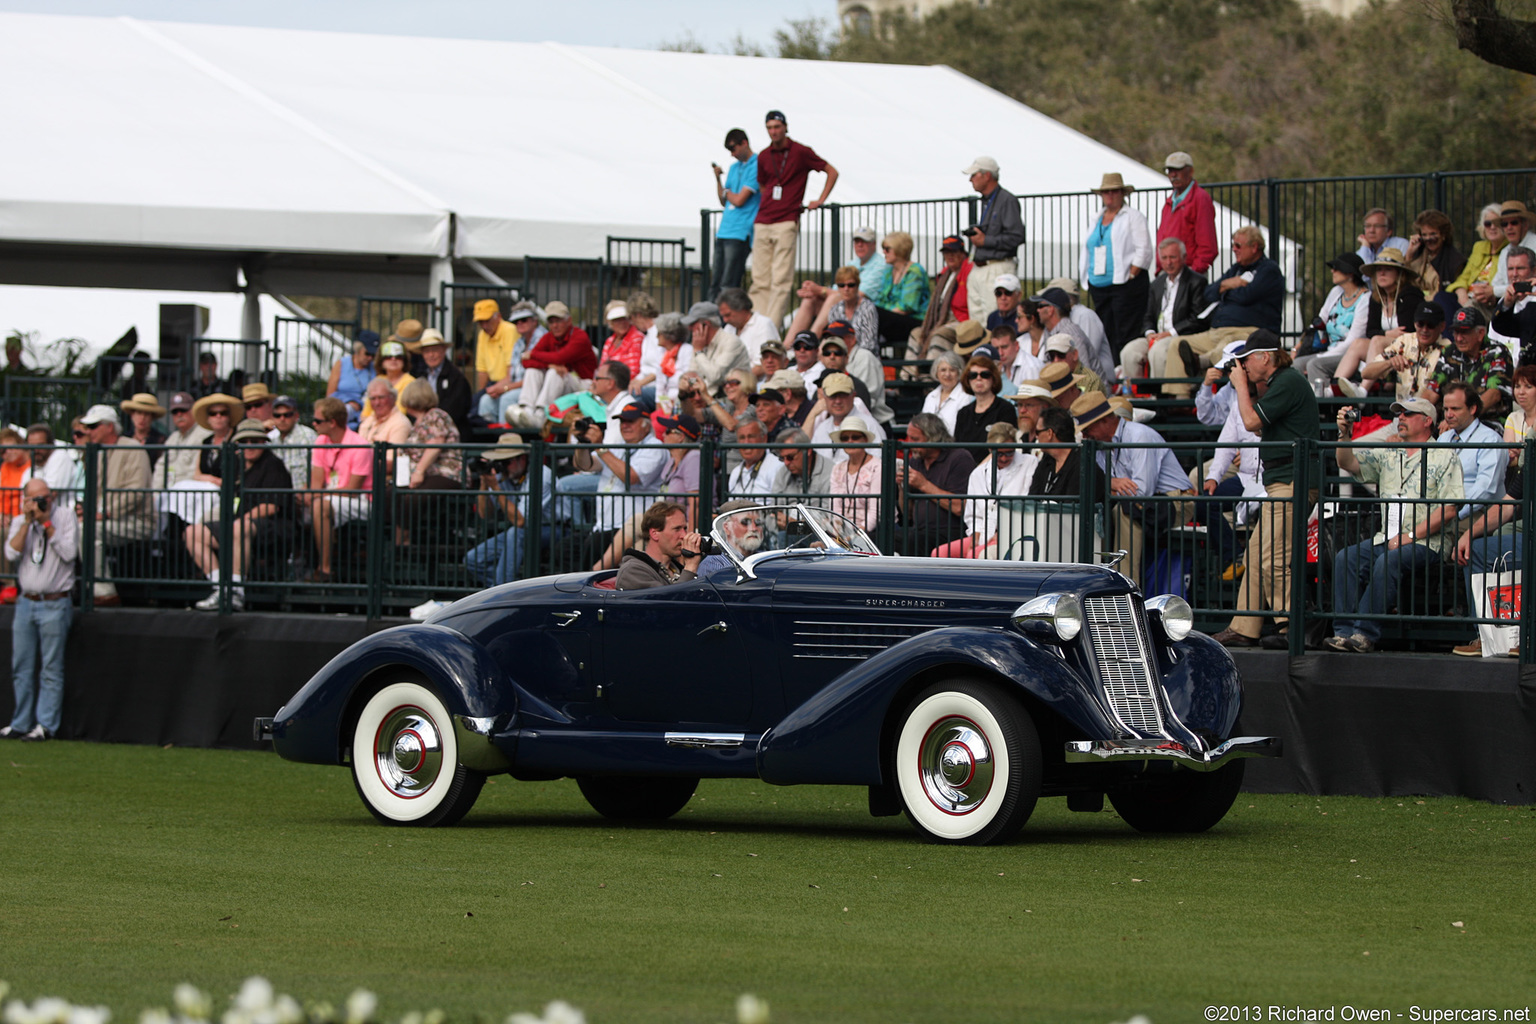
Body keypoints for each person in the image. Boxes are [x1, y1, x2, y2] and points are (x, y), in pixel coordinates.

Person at [1206, 331, 1320, 650]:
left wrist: (1240, 385)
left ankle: (1292, 625)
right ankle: (1245, 626)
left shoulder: (1289, 381)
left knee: (1272, 555)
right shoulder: (1278, 383)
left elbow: (1251, 421)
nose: (1242, 367)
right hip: (1282, 481)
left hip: (1293, 480)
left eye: (1246, 360)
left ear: (1265, 357)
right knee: (1255, 554)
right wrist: (1247, 381)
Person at [1328, 397, 1463, 653]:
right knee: (1347, 557)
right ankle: (1343, 632)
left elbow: (1449, 509)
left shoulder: (1445, 456)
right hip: (1387, 537)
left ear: (1427, 421)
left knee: (1388, 561)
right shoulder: (1390, 452)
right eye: (1399, 414)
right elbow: (1347, 463)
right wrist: (1344, 435)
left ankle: (1363, 634)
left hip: (1428, 542)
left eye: (1408, 414)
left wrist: (1410, 536)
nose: (1400, 418)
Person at [1072, 391, 1192, 587]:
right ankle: (1092, 583)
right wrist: (1113, 482)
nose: (1084, 434)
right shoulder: (1097, 443)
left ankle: (1125, 588)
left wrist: (1110, 483)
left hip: (1176, 501)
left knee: (1123, 511)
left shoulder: (1139, 435)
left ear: (1104, 421)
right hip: (1144, 502)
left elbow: (1141, 490)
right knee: (1099, 512)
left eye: (1088, 428)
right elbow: (1106, 485)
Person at [185, 418, 294, 613]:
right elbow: (202, 471)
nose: (250, 446)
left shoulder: (273, 464)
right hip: (240, 527)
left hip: (273, 527)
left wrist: (241, 521)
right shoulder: (236, 464)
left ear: (264, 442)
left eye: (255, 441)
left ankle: (236, 590)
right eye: (245, 442)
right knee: (193, 532)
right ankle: (221, 588)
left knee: (238, 527)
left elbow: (271, 507)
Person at [1162, 226, 1286, 394]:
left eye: (1238, 245)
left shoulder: (1269, 270)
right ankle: (1178, 399)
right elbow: (1209, 293)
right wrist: (1228, 284)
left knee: (1226, 347)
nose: (1234, 249)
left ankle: (1201, 362)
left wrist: (1224, 292)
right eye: (1233, 245)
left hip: (1248, 332)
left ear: (1254, 247)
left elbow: (1246, 296)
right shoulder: (1236, 270)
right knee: (1176, 344)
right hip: (1216, 331)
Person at [1, 479, 76, 740]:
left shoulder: (65, 516)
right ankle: (20, 722)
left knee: (51, 668)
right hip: (26, 602)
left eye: (44, 497)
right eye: (34, 499)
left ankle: (45, 726)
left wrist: (46, 524)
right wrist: (26, 522)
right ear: (25, 500)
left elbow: (69, 553)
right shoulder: (22, 521)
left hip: (55, 602)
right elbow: (10, 553)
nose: (42, 503)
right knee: (21, 666)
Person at [750, 110, 838, 326]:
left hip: (787, 219)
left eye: (777, 127)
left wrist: (820, 199)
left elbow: (831, 171)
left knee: (781, 279)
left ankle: (769, 327)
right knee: (759, 279)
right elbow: (762, 185)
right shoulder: (763, 155)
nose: (773, 132)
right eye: (769, 128)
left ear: (785, 127)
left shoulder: (800, 151)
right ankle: (756, 324)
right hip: (763, 219)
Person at [570, 405, 668, 565]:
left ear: (645, 424)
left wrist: (600, 446)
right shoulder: (618, 446)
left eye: (630, 421)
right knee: (565, 549)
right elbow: (584, 465)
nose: (625, 425)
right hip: (603, 527)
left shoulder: (655, 447)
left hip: (627, 530)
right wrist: (583, 443)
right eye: (622, 421)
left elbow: (631, 477)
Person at [81, 404, 154, 607]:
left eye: (93, 426)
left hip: (138, 520)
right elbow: (93, 493)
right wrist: (85, 510)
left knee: (88, 531)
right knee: (69, 527)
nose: (88, 432)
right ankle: (65, 589)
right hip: (110, 519)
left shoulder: (132, 448)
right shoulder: (98, 452)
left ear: (109, 427)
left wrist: (104, 513)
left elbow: (136, 492)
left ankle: (105, 592)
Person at [932, 422, 1036, 559]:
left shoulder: (1029, 463)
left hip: (1013, 533)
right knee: (940, 553)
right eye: (999, 454)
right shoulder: (978, 473)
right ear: (989, 449)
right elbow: (972, 514)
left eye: (1009, 453)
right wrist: (975, 534)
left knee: (973, 555)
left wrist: (1002, 531)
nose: (1004, 458)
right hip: (984, 533)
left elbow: (1027, 505)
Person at [463, 434, 553, 589]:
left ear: (522, 459)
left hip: (553, 528)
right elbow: (485, 514)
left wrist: (497, 489)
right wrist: (484, 484)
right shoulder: (505, 476)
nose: (503, 466)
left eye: (507, 461)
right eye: (500, 462)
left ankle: (502, 591)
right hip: (522, 531)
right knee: (473, 560)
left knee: (515, 532)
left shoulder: (541, 474)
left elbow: (520, 521)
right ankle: (511, 591)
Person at [1081, 172, 1152, 360]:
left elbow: (1144, 249)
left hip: (1125, 285)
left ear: (1122, 193)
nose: (1110, 195)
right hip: (1100, 285)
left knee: (1125, 331)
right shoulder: (1096, 218)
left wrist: (1132, 274)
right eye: (1106, 192)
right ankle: (1111, 370)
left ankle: (1125, 373)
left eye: (1114, 191)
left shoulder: (1133, 216)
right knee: (1106, 332)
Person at [1122, 238, 1212, 382]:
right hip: (1157, 336)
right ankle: (1135, 396)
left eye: (1172, 257)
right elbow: (1148, 315)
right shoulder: (1157, 284)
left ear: (1183, 258)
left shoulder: (1196, 282)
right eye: (1164, 258)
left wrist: (1169, 333)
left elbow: (1198, 318)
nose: (1168, 262)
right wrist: (1150, 333)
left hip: (1180, 336)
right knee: (1129, 352)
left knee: (1158, 352)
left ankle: (1160, 398)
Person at [306, 397, 372, 583]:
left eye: (318, 421)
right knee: (303, 503)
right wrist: (312, 495)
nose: (314, 424)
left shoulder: (360, 445)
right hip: (331, 497)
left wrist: (319, 495)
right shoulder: (321, 440)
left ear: (332, 422)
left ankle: (324, 569)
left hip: (360, 500)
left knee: (320, 506)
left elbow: (352, 489)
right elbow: (316, 482)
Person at [394, 378, 464, 544]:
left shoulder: (436, 415)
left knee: (413, 497)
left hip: (446, 472)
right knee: (390, 493)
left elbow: (435, 445)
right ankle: (398, 541)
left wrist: (418, 472)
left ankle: (405, 540)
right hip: (423, 475)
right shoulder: (416, 422)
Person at [894, 413, 975, 555]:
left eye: (915, 439)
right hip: (917, 530)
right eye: (908, 437)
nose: (909, 443)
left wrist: (923, 484)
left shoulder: (959, 458)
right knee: (877, 537)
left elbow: (959, 507)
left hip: (949, 532)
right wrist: (902, 487)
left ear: (933, 437)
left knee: (914, 540)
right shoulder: (915, 461)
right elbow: (907, 513)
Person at [1291, 253, 1368, 392]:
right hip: (1328, 351)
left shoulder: (1365, 299)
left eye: (1336, 268)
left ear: (1350, 273)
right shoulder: (1336, 292)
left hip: (1349, 356)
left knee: (1315, 365)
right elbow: (1319, 321)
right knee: (1296, 364)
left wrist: (1324, 356)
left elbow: (1353, 341)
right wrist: (1298, 346)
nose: (1332, 271)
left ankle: (1322, 408)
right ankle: (1301, 404)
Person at [962, 156, 1025, 322]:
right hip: (980, 267)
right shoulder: (985, 201)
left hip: (997, 267)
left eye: (974, 175)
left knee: (994, 320)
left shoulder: (1007, 200)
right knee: (977, 324)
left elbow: (1017, 236)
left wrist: (986, 240)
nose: (970, 179)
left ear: (986, 176)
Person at [1426, 306, 1513, 421]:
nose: (1459, 338)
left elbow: (1494, 394)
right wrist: (1415, 414)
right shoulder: (1449, 352)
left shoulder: (1498, 352)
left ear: (1481, 333)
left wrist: (1462, 418)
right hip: (1451, 422)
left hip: (1488, 423)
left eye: (1464, 332)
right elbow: (1431, 392)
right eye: (1456, 332)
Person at [1436, 381, 1505, 524]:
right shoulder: (1444, 438)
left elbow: (1485, 490)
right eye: (1446, 409)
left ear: (1472, 408)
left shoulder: (1490, 439)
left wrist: (1455, 514)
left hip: (1478, 512)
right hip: (1442, 511)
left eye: (1455, 409)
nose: (1448, 415)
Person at [518, 300, 596, 413]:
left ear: (569, 321)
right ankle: (526, 409)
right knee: (532, 371)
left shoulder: (579, 336)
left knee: (555, 373)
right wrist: (550, 365)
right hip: (559, 384)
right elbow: (526, 362)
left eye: (559, 321)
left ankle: (542, 412)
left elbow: (560, 358)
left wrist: (533, 354)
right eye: (551, 322)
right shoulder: (548, 337)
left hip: (584, 384)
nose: (555, 325)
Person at [709, 127, 759, 301]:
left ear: (744, 143)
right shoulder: (732, 167)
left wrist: (727, 193)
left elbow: (739, 200)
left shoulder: (757, 164)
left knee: (729, 283)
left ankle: (727, 322)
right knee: (715, 282)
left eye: (733, 149)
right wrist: (718, 180)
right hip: (724, 230)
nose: (732, 154)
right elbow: (725, 200)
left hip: (740, 233)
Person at [907, 234, 972, 365]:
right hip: (941, 320)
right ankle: (909, 377)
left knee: (939, 335)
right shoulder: (944, 274)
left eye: (954, 252)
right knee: (916, 333)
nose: (950, 256)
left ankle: (931, 378)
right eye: (946, 252)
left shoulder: (969, 270)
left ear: (962, 253)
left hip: (961, 320)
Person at [787, 266, 879, 356]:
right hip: (839, 355)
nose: (846, 289)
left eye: (851, 285)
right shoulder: (835, 309)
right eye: (841, 285)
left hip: (861, 356)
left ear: (858, 286)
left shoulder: (868, 308)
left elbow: (869, 344)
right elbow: (831, 338)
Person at [615, 501, 705, 591]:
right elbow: (671, 602)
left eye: (685, 528)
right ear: (654, 534)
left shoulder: (675, 568)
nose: (684, 535)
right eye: (677, 529)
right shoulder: (633, 571)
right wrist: (690, 567)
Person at [1155, 152, 1218, 275]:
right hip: (1168, 271)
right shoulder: (1169, 202)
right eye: (1170, 170)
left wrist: (1194, 272)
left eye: (1178, 170)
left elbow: (1208, 244)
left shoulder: (1200, 198)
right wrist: (1160, 269)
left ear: (1190, 171)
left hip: (1188, 272)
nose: (1173, 175)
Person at [479, 301, 542, 421]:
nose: (519, 323)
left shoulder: (542, 339)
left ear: (534, 321)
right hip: (515, 387)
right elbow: (510, 376)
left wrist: (506, 388)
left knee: (507, 399)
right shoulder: (519, 343)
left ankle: (508, 438)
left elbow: (534, 379)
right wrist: (494, 389)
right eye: (516, 321)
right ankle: (491, 439)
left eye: (524, 319)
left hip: (533, 390)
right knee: (485, 400)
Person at [871, 230, 931, 353]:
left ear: (900, 250)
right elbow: (881, 299)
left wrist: (883, 314)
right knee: (867, 311)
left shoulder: (914, 271)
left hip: (914, 321)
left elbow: (907, 306)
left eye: (887, 249)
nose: (884, 252)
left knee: (873, 313)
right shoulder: (888, 271)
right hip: (893, 319)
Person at [952, 355, 1018, 460]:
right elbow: (957, 450)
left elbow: (1004, 449)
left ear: (993, 378)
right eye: (973, 375)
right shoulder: (963, 413)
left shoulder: (1005, 409)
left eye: (985, 375)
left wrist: (978, 472)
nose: (979, 378)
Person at [808, 372, 885, 459]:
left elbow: (878, 464)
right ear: (824, 397)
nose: (838, 401)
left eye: (842, 395)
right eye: (832, 396)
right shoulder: (822, 428)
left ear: (853, 396)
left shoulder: (870, 426)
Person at [1448, 204, 1508, 317]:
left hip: (1487, 300)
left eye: (1497, 223)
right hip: (1468, 296)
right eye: (1488, 223)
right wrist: (1461, 291)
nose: (1492, 227)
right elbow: (1464, 277)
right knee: (1442, 298)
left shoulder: (1509, 250)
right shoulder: (1479, 247)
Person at [682, 301, 751, 395]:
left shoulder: (731, 342)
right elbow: (692, 375)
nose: (690, 328)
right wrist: (692, 386)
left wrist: (698, 352)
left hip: (728, 397)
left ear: (706, 325)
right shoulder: (701, 344)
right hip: (706, 396)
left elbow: (714, 376)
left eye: (693, 324)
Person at [1403, 209, 1466, 309]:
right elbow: (1403, 281)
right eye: (1424, 235)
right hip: (1414, 305)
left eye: (1433, 234)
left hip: (1438, 308)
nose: (1429, 239)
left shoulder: (1454, 260)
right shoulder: (1418, 255)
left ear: (1443, 235)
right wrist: (1409, 255)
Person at [412, 328, 471, 436]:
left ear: (443, 351)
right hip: (424, 431)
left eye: (435, 350)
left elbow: (456, 410)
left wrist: (431, 420)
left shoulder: (456, 378)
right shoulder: (419, 376)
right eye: (426, 351)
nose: (431, 355)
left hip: (449, 433)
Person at [828, 415, 881, 531]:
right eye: (845, 438)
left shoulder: (877, 466)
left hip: (874, 531)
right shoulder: (837, 468)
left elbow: (875, 511)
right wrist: (838, 535)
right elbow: (835, 508)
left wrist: (855, 536)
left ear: (865, 440)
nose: (850, 441)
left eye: (855, 437)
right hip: (844, 532)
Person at [1490, 244, 1536, 360]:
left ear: (1534, 271)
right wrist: (1506, 305)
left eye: (1520, 268)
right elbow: (1497, 333)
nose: (1514, 274)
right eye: (1510, 269)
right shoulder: (1503, 305)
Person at [697, 500, 765, 577]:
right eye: (745, 522)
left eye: (758, 522)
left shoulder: (765, 559)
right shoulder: (713, 565)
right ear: (727, 527)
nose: (753, 528)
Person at [717, 288, 780, 366]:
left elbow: (762, 365)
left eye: (728, 315)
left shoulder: (763, 325)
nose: (725, 320)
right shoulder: (729, 328)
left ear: (742, 309)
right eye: (723, 316)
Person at [266, 394, 316, 490]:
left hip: (302, 496)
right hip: (277, 497)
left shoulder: (308, 436)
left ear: (296, 415)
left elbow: (318, 470)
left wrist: (305, 491)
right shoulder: (270, 438)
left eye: (287, 415)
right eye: (277, 415)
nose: (282, 419)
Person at [771, 428, 832, 506]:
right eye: (782, 458)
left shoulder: (830, 472)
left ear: (808, 451)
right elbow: (774, 508)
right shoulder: (783, 472)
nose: (786, 463)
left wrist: (792, 517)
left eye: (790, 457)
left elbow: (828, 512)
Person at [161, 391, 210, 487]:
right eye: (175, 412)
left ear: (193, 411)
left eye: (183, 410)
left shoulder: (203, 435)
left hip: (190, 492)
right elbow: (161, 468)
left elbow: (194, 472)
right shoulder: (172, 438)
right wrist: (157, 492)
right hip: (170, 490)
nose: (179, 415)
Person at [328, 333, 377, 429]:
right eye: (367, 353)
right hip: (342, 410)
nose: (370, 358)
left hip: (365, 415)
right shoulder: (341, 364)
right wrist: (348, 402)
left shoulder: (375, 368)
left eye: (373, 355)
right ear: (358, 350)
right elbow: (330, 395)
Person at [921, 350, 975, 434]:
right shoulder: (930, 397)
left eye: (952, 370)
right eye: (943, 370)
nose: (947, 374)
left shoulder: (966, 396)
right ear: (936, 372)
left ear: (959, 372)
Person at [1490, 200, 1536, 295]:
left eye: (1514, 223)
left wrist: (1493, 291)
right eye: (1504, 224)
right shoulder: (1504, 252)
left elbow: (1528, 285)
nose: (1509, 227)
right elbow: (1496, 283)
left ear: (1525, 225)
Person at [727, 419, 783, 498]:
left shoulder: (777, 467)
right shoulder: (735, 472)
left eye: (751, 436)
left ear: (764, 439)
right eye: (742, 438)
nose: (746, 442)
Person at [119, 392, 166, 471]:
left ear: (152, 417)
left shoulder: (160, 440)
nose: (142, 418)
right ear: (132, 415)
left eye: (147, 414)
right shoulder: (123, 438)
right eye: (139, 413)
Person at [598, 299, 645, 378]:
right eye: (617, 320)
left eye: (624, 318)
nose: (622, 323)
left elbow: (634, 370)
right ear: (610, 323)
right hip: (608, 382)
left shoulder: (636, 337)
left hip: (624, 383)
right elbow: (602, 367)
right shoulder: (609, 341)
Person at [850, 226, 887, 298]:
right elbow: (837, 287)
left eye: (864, 241)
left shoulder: (881, 265)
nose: (859, 245)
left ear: (874, 244)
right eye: (857, 241)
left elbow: (860, 294)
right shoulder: (852, 264)